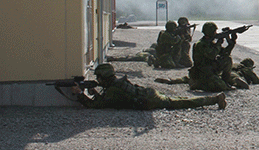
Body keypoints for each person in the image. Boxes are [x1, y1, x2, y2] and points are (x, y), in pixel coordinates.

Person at [73, 63, 226, 110]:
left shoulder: (114, 89)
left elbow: (96, 105)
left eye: (99, 78)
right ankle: (213, 99)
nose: (98, 80)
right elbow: (106, 99)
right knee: (180, 99)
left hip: (149, 100)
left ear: (104, 77)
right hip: (148, 94)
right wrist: (94, 91)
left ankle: (214, 99)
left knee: (182, 103)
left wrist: (80, 94)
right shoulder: (116, 83)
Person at [189, 22, 249, 91]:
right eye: (214, 31)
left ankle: (226, 81)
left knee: (227, 59)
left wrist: (232, 42)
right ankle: (197, 84)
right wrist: (218, 44)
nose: (216, 33)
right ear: (210, 32)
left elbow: (225, 53)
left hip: (211, 69)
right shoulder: (201, 44)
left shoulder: (211, 43)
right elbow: (212, 55)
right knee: (220, 87)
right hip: (202, 72)